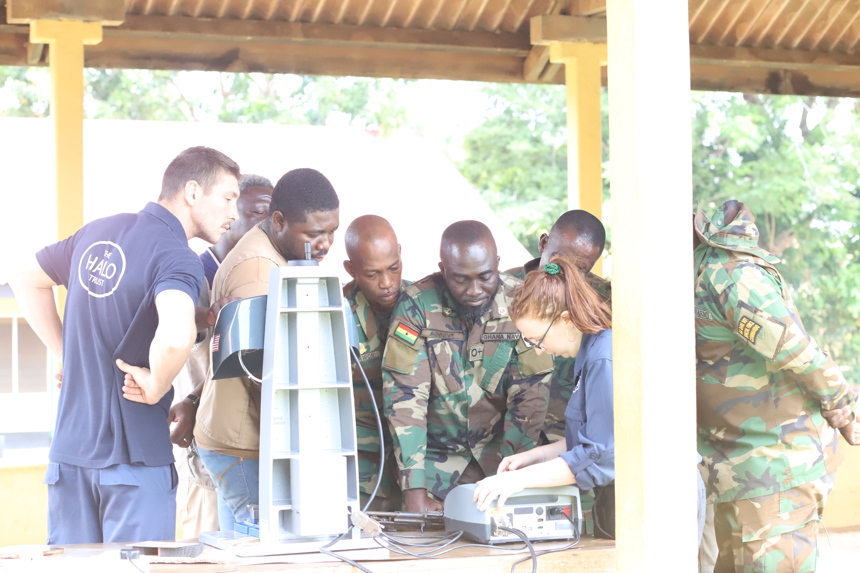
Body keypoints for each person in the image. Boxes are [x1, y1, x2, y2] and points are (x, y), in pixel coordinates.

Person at [9, 146, 241, 544]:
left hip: (69, 456)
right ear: (192, 192)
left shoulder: (98, 230)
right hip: (134, 462)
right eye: (228, 198)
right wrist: (156, 383)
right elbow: (175, 334)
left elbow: (24, 277)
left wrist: (65, 351)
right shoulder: (177, 257)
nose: (234, 213)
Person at [695, 200, 859, 572]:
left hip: (776, 471)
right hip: (739, 470)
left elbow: (798, 350)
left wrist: (843, 407)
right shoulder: (701, 272)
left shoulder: (732, 275)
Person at [194, 167, 340, 532]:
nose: (325, 243)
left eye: (333, 231)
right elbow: (264, 375)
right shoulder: (260, 270)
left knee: (240, 554)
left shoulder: (271, 252)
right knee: (266, 551)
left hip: (233, 438)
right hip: (244, 445)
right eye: (315, 233)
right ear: (278, 221)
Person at [382, 220, 553, 513]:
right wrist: (414, 488)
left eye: (485, 276)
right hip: (433, 465)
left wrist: (512, 480)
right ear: (443, 269)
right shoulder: (417, 305)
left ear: (498, 264)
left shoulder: (523, 301)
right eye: (461, 279)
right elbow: (405, 400)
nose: (474, 290)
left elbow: (531, 399)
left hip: (502, 461)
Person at [472, 256, 615, 538]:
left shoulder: (603, 358)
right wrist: (535, 456)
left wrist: (519, 480)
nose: (538, 351)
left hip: (658, 500)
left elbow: (600, 455)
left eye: (538, 339)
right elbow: (592, 438)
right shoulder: (588, 352)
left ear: (565, 320)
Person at [169, 173, 273, 538]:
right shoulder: (193, 273)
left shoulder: (268, 271)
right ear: (231, 212)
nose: (266, 223)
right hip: (203, 445)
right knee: (206, 545)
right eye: (256, 212)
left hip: (245, 440)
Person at [506, 209, 611, 445]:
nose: (567, 275)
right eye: (558, 262)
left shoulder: (603, 305)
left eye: (580, 269)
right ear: (543, 243)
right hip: (509, 438)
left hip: (573, 438)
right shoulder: (501, 290)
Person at [342, 215, 409, 511]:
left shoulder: (425, 304)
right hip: (363, 465)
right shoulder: (336, 312)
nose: (387, 283)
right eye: (372, 274)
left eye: (393, 269)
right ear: (351, 269)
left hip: (422, 460)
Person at [199, 174, 273, 288]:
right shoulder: (195, 276)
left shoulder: (271, 272)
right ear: (228, 215)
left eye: (275, 215)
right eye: (260, 212)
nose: (272, 222)